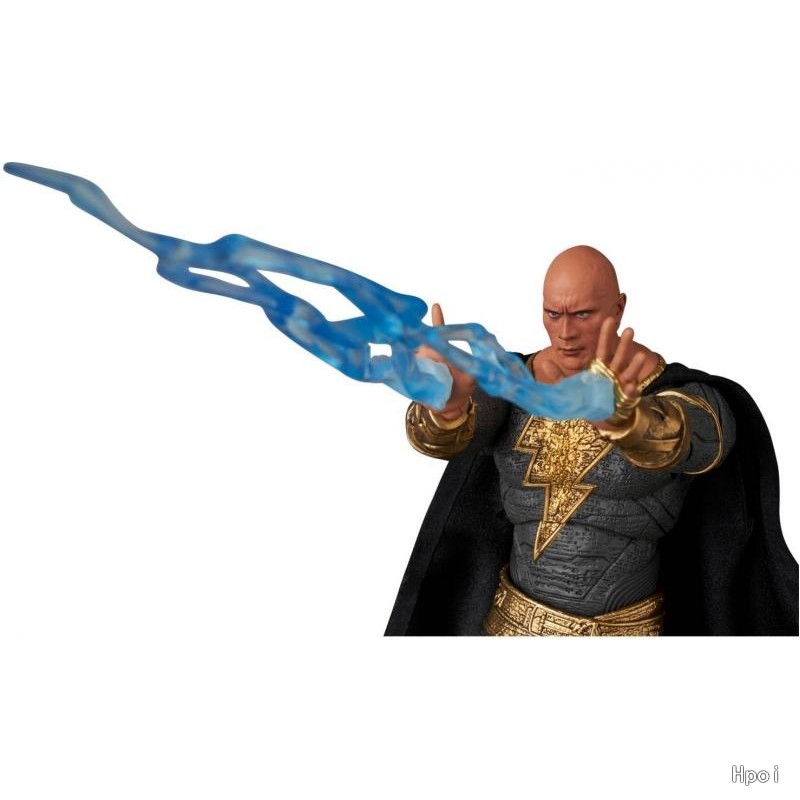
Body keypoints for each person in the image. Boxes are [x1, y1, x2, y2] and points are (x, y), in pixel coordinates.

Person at [385, 245, 798, 636]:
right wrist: (446, 407)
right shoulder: (510, 385)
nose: (565, 332)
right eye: (553, 313)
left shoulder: (674, 392)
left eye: (582, 314)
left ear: (618, 307)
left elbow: (700, 437)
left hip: (630, 633)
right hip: (511, 627)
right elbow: (448, 439)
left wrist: (631, 421)